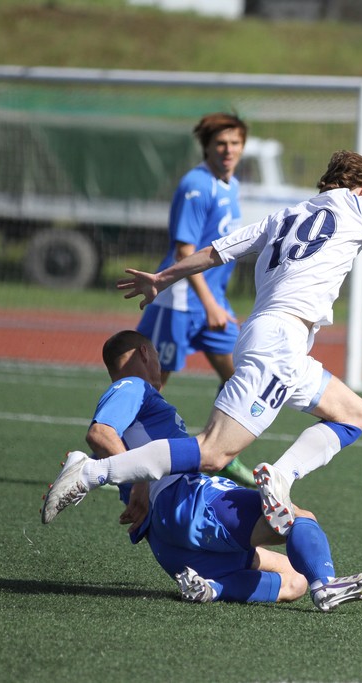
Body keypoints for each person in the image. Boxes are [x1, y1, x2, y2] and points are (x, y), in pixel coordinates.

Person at [42, 149, 362, 537]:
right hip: (278, 342)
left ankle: (280, 476)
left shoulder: (283, 216)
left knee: (353, 413)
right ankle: (90, 473)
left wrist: (163, 278)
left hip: (279, 342)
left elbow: (214, 252)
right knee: (212, 452)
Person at [72, 329, 362, 610]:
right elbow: (100, 433)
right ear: (145, 353)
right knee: (301, 519)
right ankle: (326, 584)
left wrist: (133, 480)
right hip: (188, 504)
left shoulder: (137, 414)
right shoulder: (132, 386)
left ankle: (212, 588)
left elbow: (105, 449)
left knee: (295, 581)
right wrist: (139, 478)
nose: (159, 364)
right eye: (156, 356)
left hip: (170, 546)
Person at [137, 113, 254, 486]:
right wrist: (210, 304)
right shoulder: (195, 185)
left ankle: (221, 452)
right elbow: (184, 249)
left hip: (211, 302)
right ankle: (109, 457)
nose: (229, 150)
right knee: (152, 385)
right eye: (221, 143)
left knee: (240, 375)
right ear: (206, 147)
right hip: (183, 303)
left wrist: (215, 303)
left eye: (235, 143)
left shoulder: (231, 185)